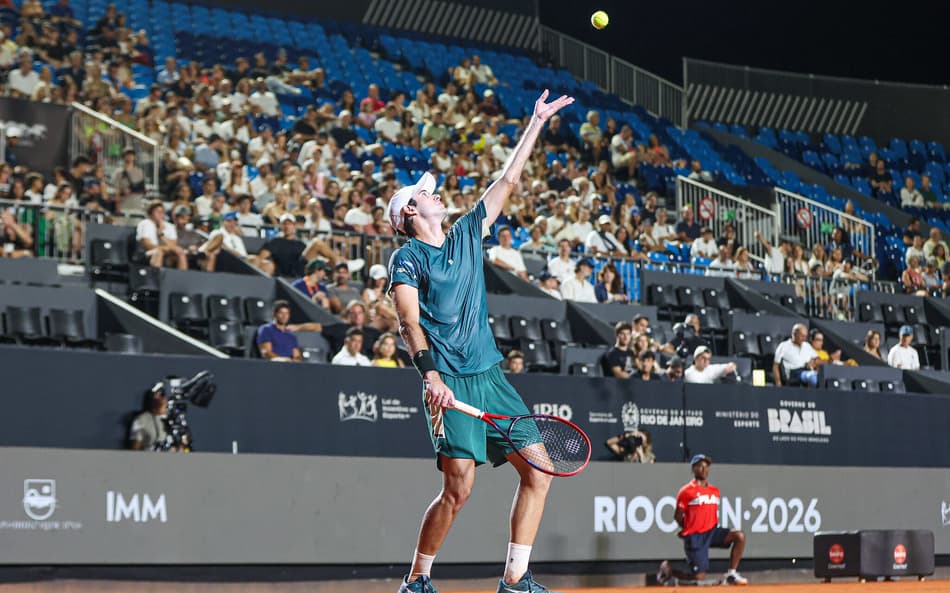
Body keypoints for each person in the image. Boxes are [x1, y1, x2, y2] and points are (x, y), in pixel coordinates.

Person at [387, 90, 574, 593]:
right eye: (425, 193)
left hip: (490, 377)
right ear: (409, 214)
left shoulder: (469, 232)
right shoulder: (407, 260)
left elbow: (509, 179)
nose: (436, 193)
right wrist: (430, 376)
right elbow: (408, 322)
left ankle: (515, 578)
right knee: (459, 488)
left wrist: (535, 122)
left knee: (540, 471)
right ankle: (418, 579)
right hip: (447, 380)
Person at [657, 455, 747, 586]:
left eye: (706, 466)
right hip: (695, 536)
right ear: (693, 469)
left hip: (712, 532)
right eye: (700, 466)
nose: (704, 469)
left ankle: (731, 574)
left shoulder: (714, 491)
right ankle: (669, 570)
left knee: (739, 535)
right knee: (699, 578)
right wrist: (689, 529)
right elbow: (677, 516)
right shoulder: (686, 491)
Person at [128, 384, 169, 451]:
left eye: (163, 395)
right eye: (157, 395)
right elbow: (135, 449)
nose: (162, 399)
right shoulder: (141, 420)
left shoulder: (175, 419)